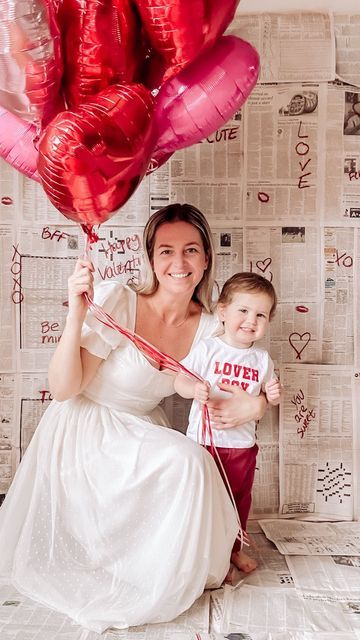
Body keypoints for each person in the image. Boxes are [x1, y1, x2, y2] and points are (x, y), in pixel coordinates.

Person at [0, 204, 268, 633]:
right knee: (186, 460)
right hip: (87, 429)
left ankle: (186, 567)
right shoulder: (120, 300)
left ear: (206, 259)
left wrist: (255, 406)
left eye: (190, 250)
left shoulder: (209, 328)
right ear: (150, 257)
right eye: (165, 251)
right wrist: (75, 311)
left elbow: (247, 375)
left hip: (141, 429)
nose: (178, 264)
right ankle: (153, 575)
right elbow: (67, 389)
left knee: (192, 460)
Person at [174, 272, 281, 574]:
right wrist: (192, 389)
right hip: (206, 445)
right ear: (223, 311)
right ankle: (202, 552)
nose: (251, 320)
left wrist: (272, 394)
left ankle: (233, 549)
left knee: (238, 502)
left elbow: (268, 395)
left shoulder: (261, 359)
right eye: (243, 311)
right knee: (206, 501)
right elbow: (180, 379)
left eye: (261, 314)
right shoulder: (209, 349)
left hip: (242, 447)